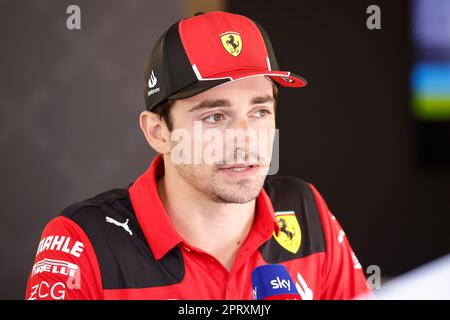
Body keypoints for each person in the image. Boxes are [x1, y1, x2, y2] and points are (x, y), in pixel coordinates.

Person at [25, 11, 370, 300]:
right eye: (215, 116)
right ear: (158, 132)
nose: (245, 138)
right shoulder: (82, 240)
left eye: (260, 111)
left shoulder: (305, 208)